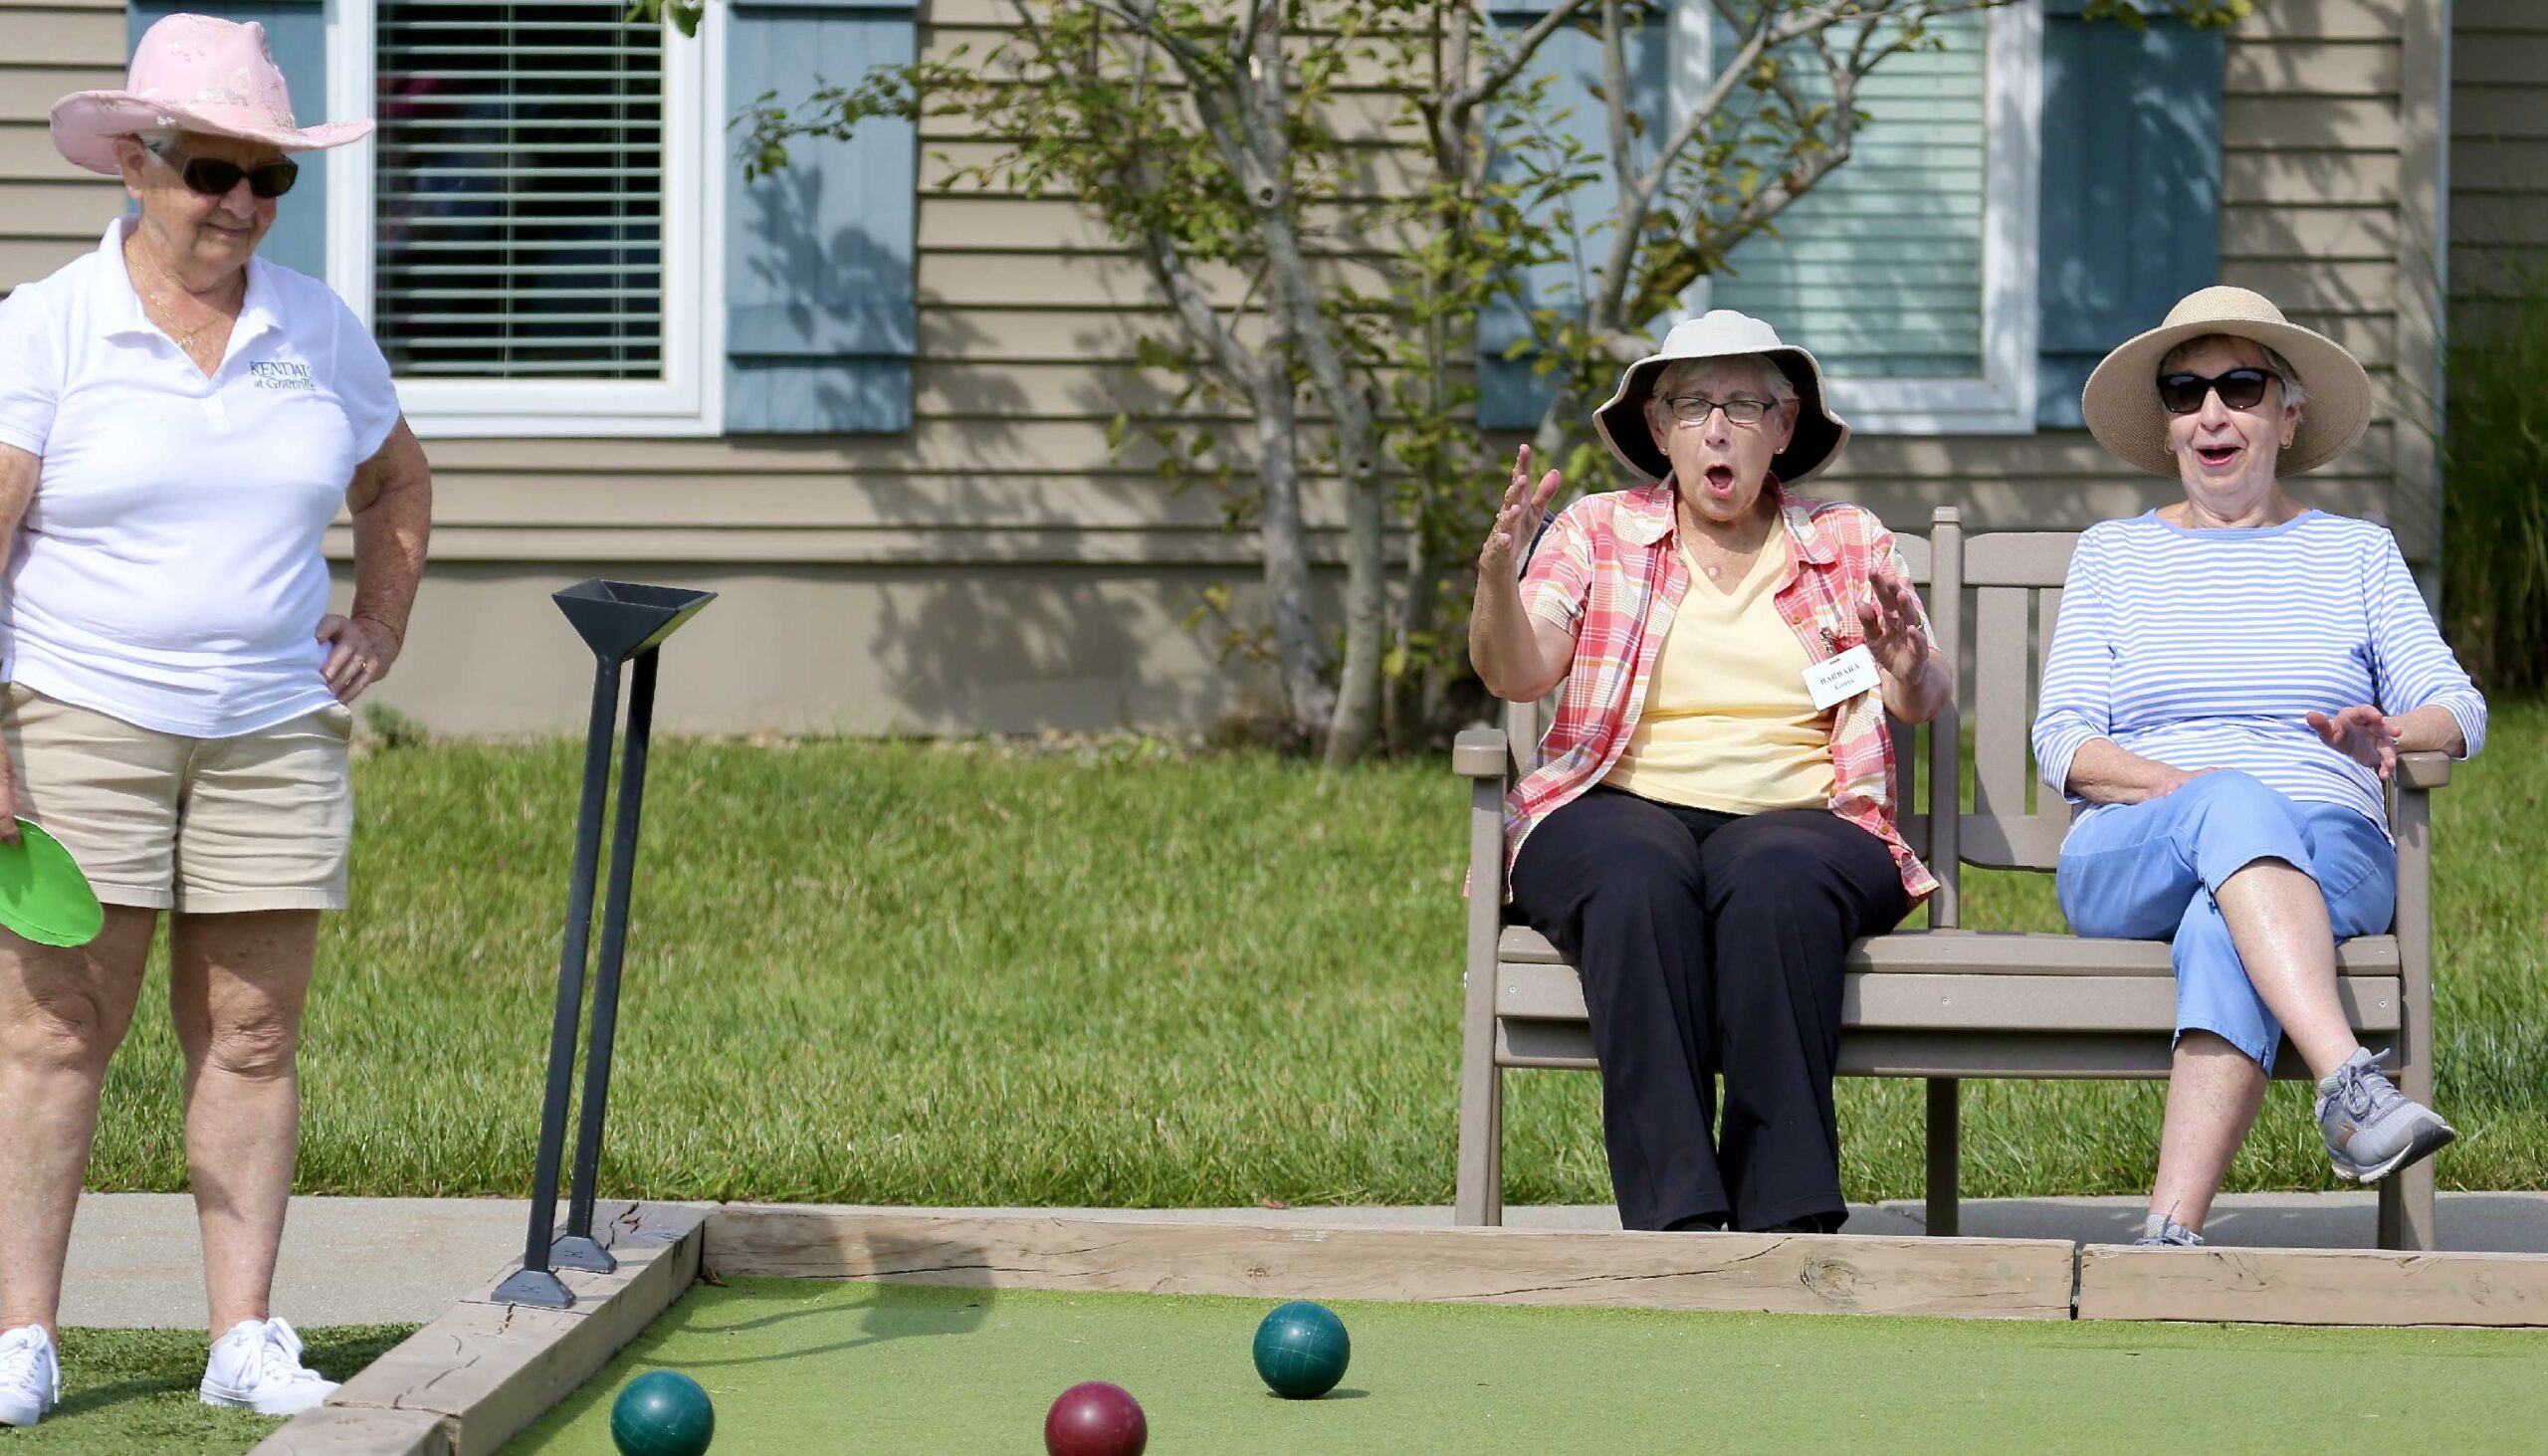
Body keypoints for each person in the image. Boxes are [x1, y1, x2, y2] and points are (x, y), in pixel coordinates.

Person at [0, 14, 432, 1425]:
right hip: (81, 711)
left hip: (268, 729)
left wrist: (379, 620)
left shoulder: (316, 326)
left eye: (268, 179)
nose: (239, 204)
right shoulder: (50, 325)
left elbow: (396, 482)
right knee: (59, 1031)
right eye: (210, 172)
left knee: (251, 1035)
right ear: (136, 161)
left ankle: (244, 1333)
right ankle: (20, 1337)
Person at [1470, 310, 1950, 1235]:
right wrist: (1496, 578)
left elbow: (1921, 698)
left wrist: (1904, 662)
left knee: (1772, 876)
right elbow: (1515, 669)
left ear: (1784, 425)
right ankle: (1676, 1220)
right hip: (1613, 802)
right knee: (1635, 873)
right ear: (1658, 430)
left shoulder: (1847, 538)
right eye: (1692, 405)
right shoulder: (1597, 531)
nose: (1717, 427)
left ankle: (1786, 1217)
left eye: (1743, 403)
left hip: (1810, 817)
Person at [2034, 286, 2485, 1248]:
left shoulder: (2357, 553)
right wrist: (2200, 800)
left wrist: (2394, 735)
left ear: (2288, 413)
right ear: (2165, 425)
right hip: (2133, 847)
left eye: (2241, 385)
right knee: (2234, 811)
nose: (2212, 411)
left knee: (2224, 914)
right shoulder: (2112, 555)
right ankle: (2349, 1082)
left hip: (2329, 841)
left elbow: (2463, 709)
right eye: (2185, 389)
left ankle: (2167, 1235)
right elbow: (2064, 741)